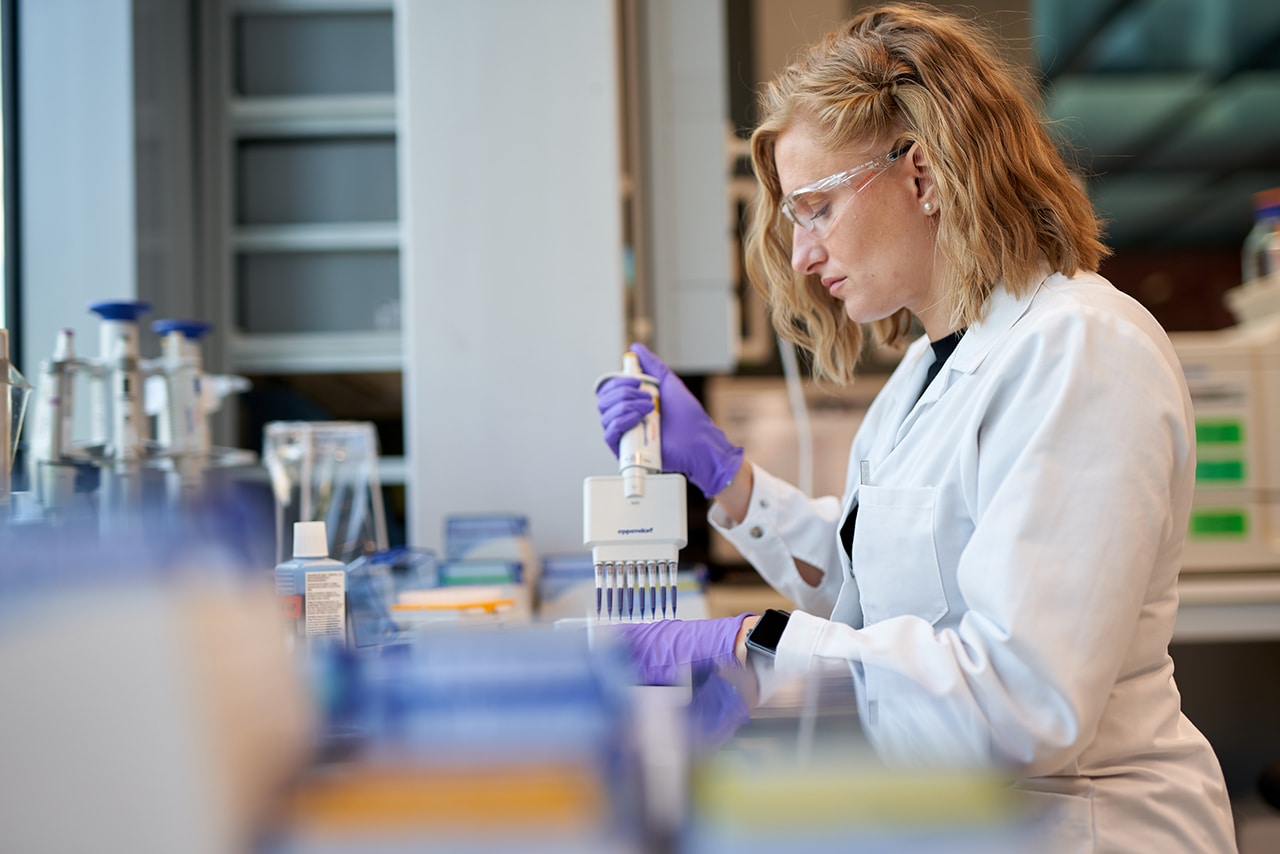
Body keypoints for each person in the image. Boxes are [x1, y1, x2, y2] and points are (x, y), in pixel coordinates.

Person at [595, 4, 1237, 851]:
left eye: (816, 208)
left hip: (1084, 826)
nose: (800, 255)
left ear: (923, 175)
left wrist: (755, 647)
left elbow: (1022, 701)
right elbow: (880, 584)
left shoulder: (1082, 349)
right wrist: (727, 478)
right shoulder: (925, 373)